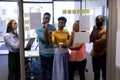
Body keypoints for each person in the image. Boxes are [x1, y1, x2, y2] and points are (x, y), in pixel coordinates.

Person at [36, 12, 56, 80]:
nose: (47, 20)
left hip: (51, 53)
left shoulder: (53, 27)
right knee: (43, 70)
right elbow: (43, 39)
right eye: (46, 18)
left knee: (52, 70)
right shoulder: (38, 27)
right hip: (43, 53)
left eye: (48, 18)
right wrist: (46, 29)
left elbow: (54, 39)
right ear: (43, 18)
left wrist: (49, 38)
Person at [89, 15, 106, 80]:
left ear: (103, 21)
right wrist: (93, 30)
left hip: (102, 55)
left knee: (104, 73)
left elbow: (102, 40)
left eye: (98, 20)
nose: (96, 22)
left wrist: (95, 40)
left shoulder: (104, 30)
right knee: (96, 73)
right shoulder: (95, 29)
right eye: (96, 20)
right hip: (95, 55)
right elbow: (90, 39)